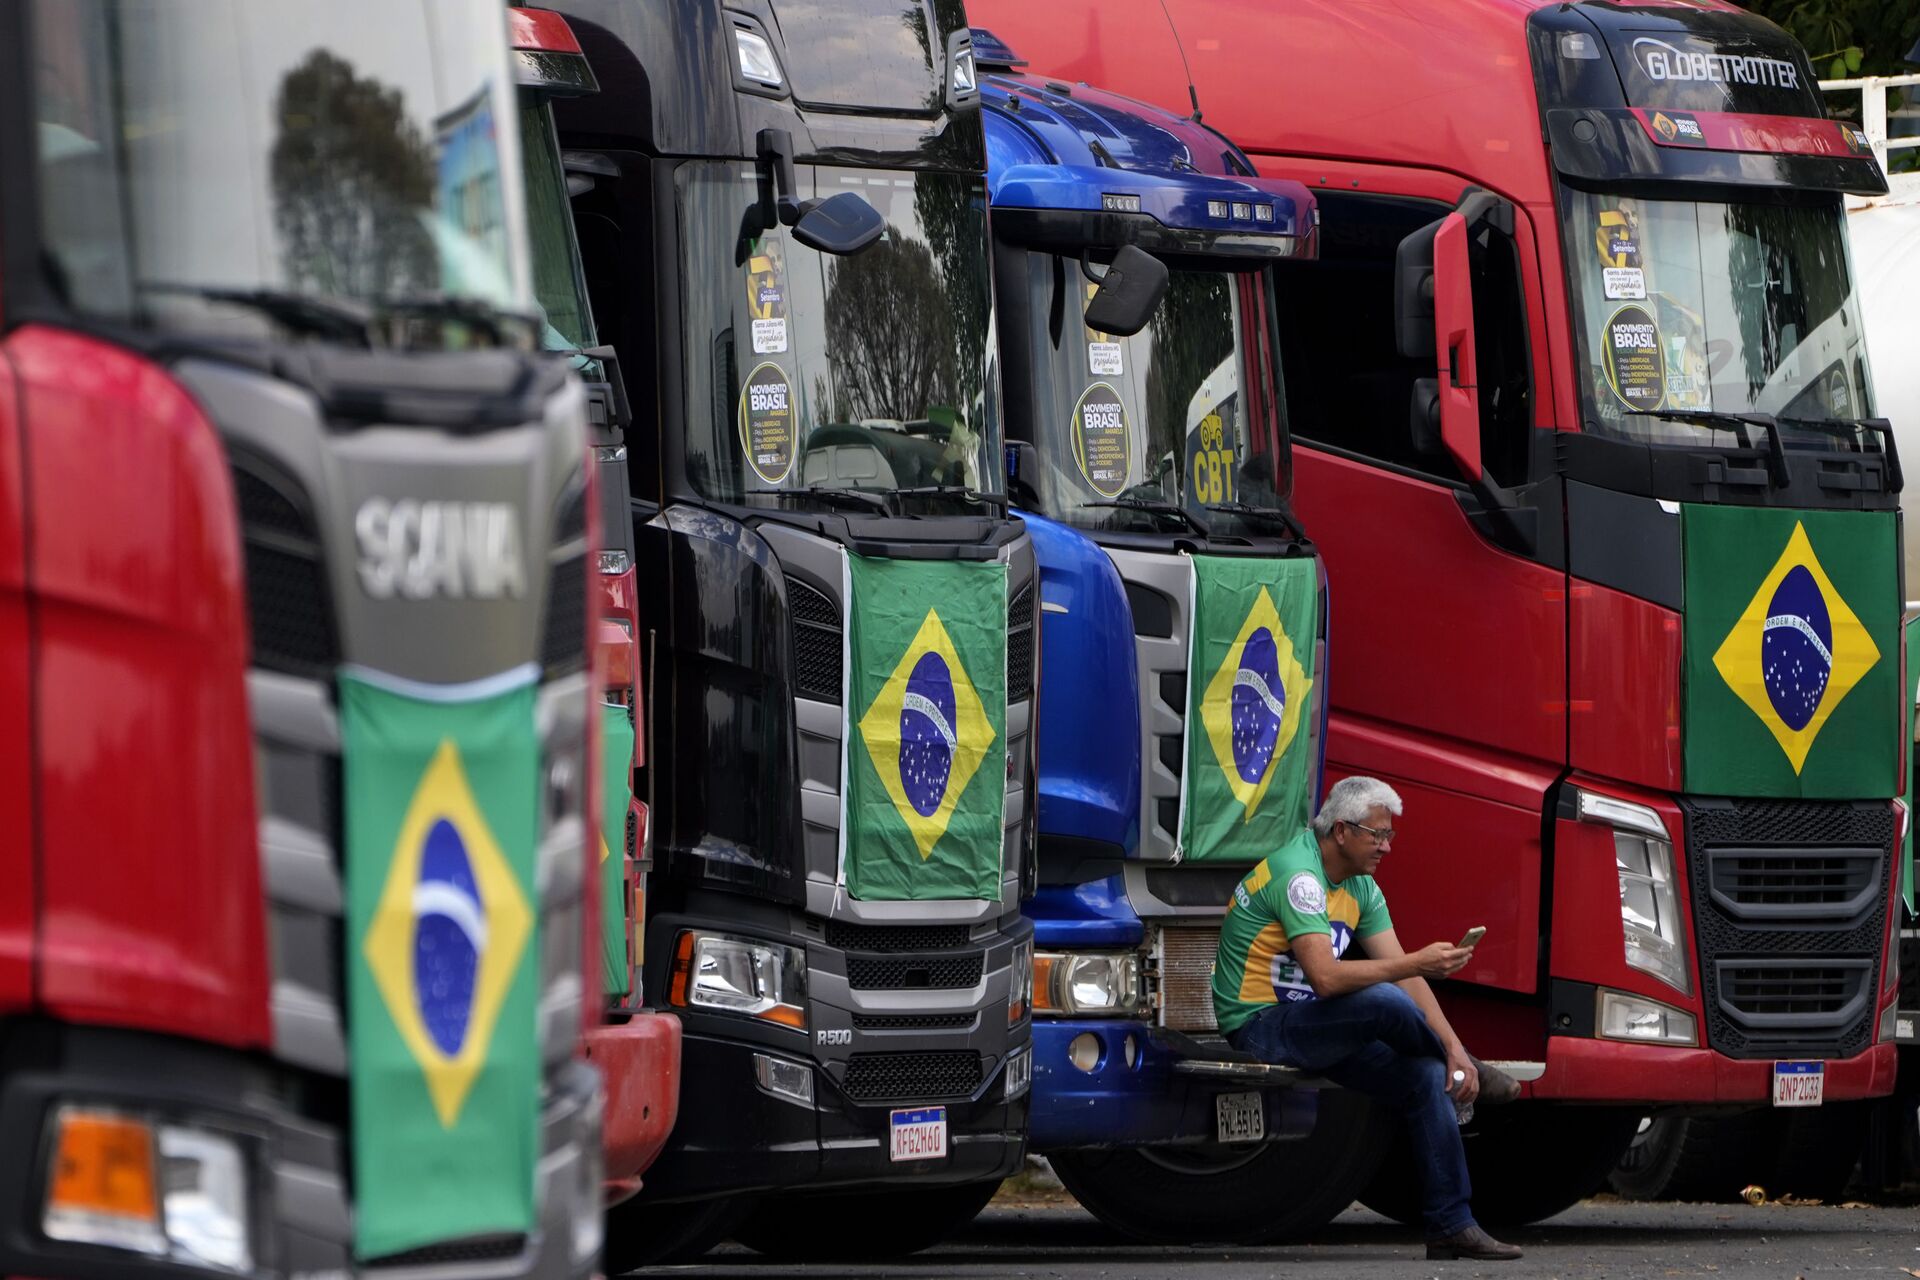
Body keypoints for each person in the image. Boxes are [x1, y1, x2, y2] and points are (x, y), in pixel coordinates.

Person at [1212, 775, 1524, 1261]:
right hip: (1261, 1026)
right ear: (1341, 831)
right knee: (1382, 1002)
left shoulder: (1362, 886)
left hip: (1314, 1023)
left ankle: (1451, 1225)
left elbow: (1409, 980)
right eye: (1376, 835)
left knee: (1425, 1075)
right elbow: (1327, 979)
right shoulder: (1300, 876)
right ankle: (1472, 1071)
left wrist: (1454, 1049)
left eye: (1390, 835)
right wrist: (1416, 964)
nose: (1386, 847)